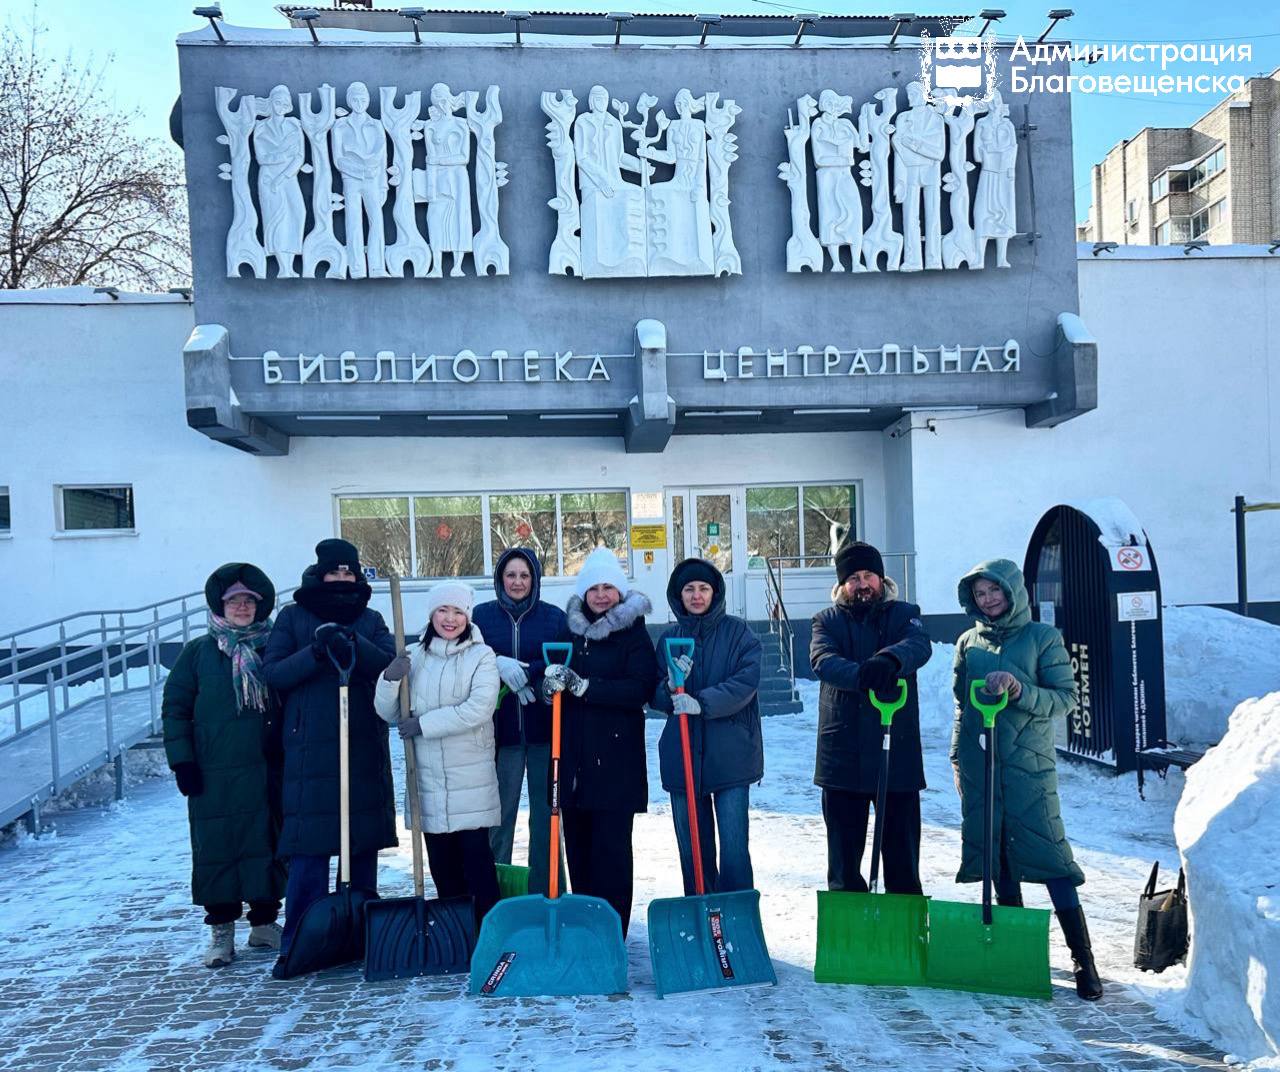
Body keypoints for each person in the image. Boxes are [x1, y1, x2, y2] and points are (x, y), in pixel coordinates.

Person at [951, 559, 1102, 1001]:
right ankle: (1019, 952)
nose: (987, 600)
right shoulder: (968, 642)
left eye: (994, 591)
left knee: (1050, 857)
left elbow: (1066, 699)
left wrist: (1019, 689)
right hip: (982, 764)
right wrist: (958, 760)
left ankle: (1082, 960)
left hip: (1028, 767)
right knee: (997, 858)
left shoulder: (1042, 638)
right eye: (979, 594)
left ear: (1012, 590)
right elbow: (963, 705)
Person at [261, 538, 396, 977]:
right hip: (308, 752)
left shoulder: (371, 618)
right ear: (319, 575)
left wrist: (353, 642)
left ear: (357, 576)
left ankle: (359, 936)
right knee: (310, 850)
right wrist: (316, 650)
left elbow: (390, 668)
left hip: (360, 744)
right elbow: (274, 672)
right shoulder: (294, 617)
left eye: (348, 573)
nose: (342, 579)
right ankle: (299, 940)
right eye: (334, 573)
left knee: (360, 844)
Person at [163, 563, 287, 968]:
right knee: (217, 848)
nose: (242, 608)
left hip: (264, 769)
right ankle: (221, 933)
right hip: (212, 773)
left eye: (249, 601)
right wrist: (182, 761)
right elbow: (176, 710)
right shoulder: (198, 653)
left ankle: (265, 924)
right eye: (235, 601)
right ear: (221, 604)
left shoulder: (273, 648)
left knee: (265, 843)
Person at [543, 547, 658, 936]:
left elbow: (640, 688)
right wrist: (551, 687)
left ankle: (611, 933)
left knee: (611, 855)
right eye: (594, 588)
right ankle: (584, 929)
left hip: (614, 764)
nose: (602, 594)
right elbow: (557, 680)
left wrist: (587, 687)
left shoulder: (633, 633)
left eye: (610, 587)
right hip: (572, 761)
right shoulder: (568, 631)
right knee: (578, 851)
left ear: (620, 591)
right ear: (584, 593)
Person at [375, 581, 502, 922]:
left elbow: (479, 708)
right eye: (443, 611)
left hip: (470, 778)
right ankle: (454, 932)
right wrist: (389, 678)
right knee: (442, 865)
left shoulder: (482, 656)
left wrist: (424, 725)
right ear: (432, 614)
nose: (450, 618)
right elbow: (387, 712)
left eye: (458, 611)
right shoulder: (414, 657)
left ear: (468, 617)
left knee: (477, 861)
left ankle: (487, 930)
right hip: (427, 777)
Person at [810, 541, 932, 895]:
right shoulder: (826, 621)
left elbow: (918, 645)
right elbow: (823, 660)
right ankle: (850, 939)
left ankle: (904, 937)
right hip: (841, 754)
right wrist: (864, 675)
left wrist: (889, 660)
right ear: (842, 585)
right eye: (854, 578)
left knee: (902, 861)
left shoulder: (903, 614)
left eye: (869, 576)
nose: (862, 584)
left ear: (881, 579)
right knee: (844, 866)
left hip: (897, 754)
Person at [652, 557, 763, 895]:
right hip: (682, 756)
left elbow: (746, 682)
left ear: (715, 593)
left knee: (733, 853)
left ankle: (737, 921)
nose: (697, 595)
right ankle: (700, 921)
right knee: (693, 854)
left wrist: (702, 702)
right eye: (689, 589)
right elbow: (653, 693)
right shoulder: (669, 639)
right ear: (679, 595)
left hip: (731, 757)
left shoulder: (739, 633)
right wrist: (669, 687)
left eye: (703, 588)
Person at [472, 547, 568, 897]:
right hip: (500, 734)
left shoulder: (554, 618)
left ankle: (548, 893)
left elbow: (562, 658)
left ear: (535, 580)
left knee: (547, 819)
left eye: (524, 575)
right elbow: (468, 653)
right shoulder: (481, 617)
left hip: (546, 730)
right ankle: (493, 894)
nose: (517, 582)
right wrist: (497, 663)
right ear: (500, 579)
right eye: (510, 575)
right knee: (498, 818)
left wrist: (529, 673)